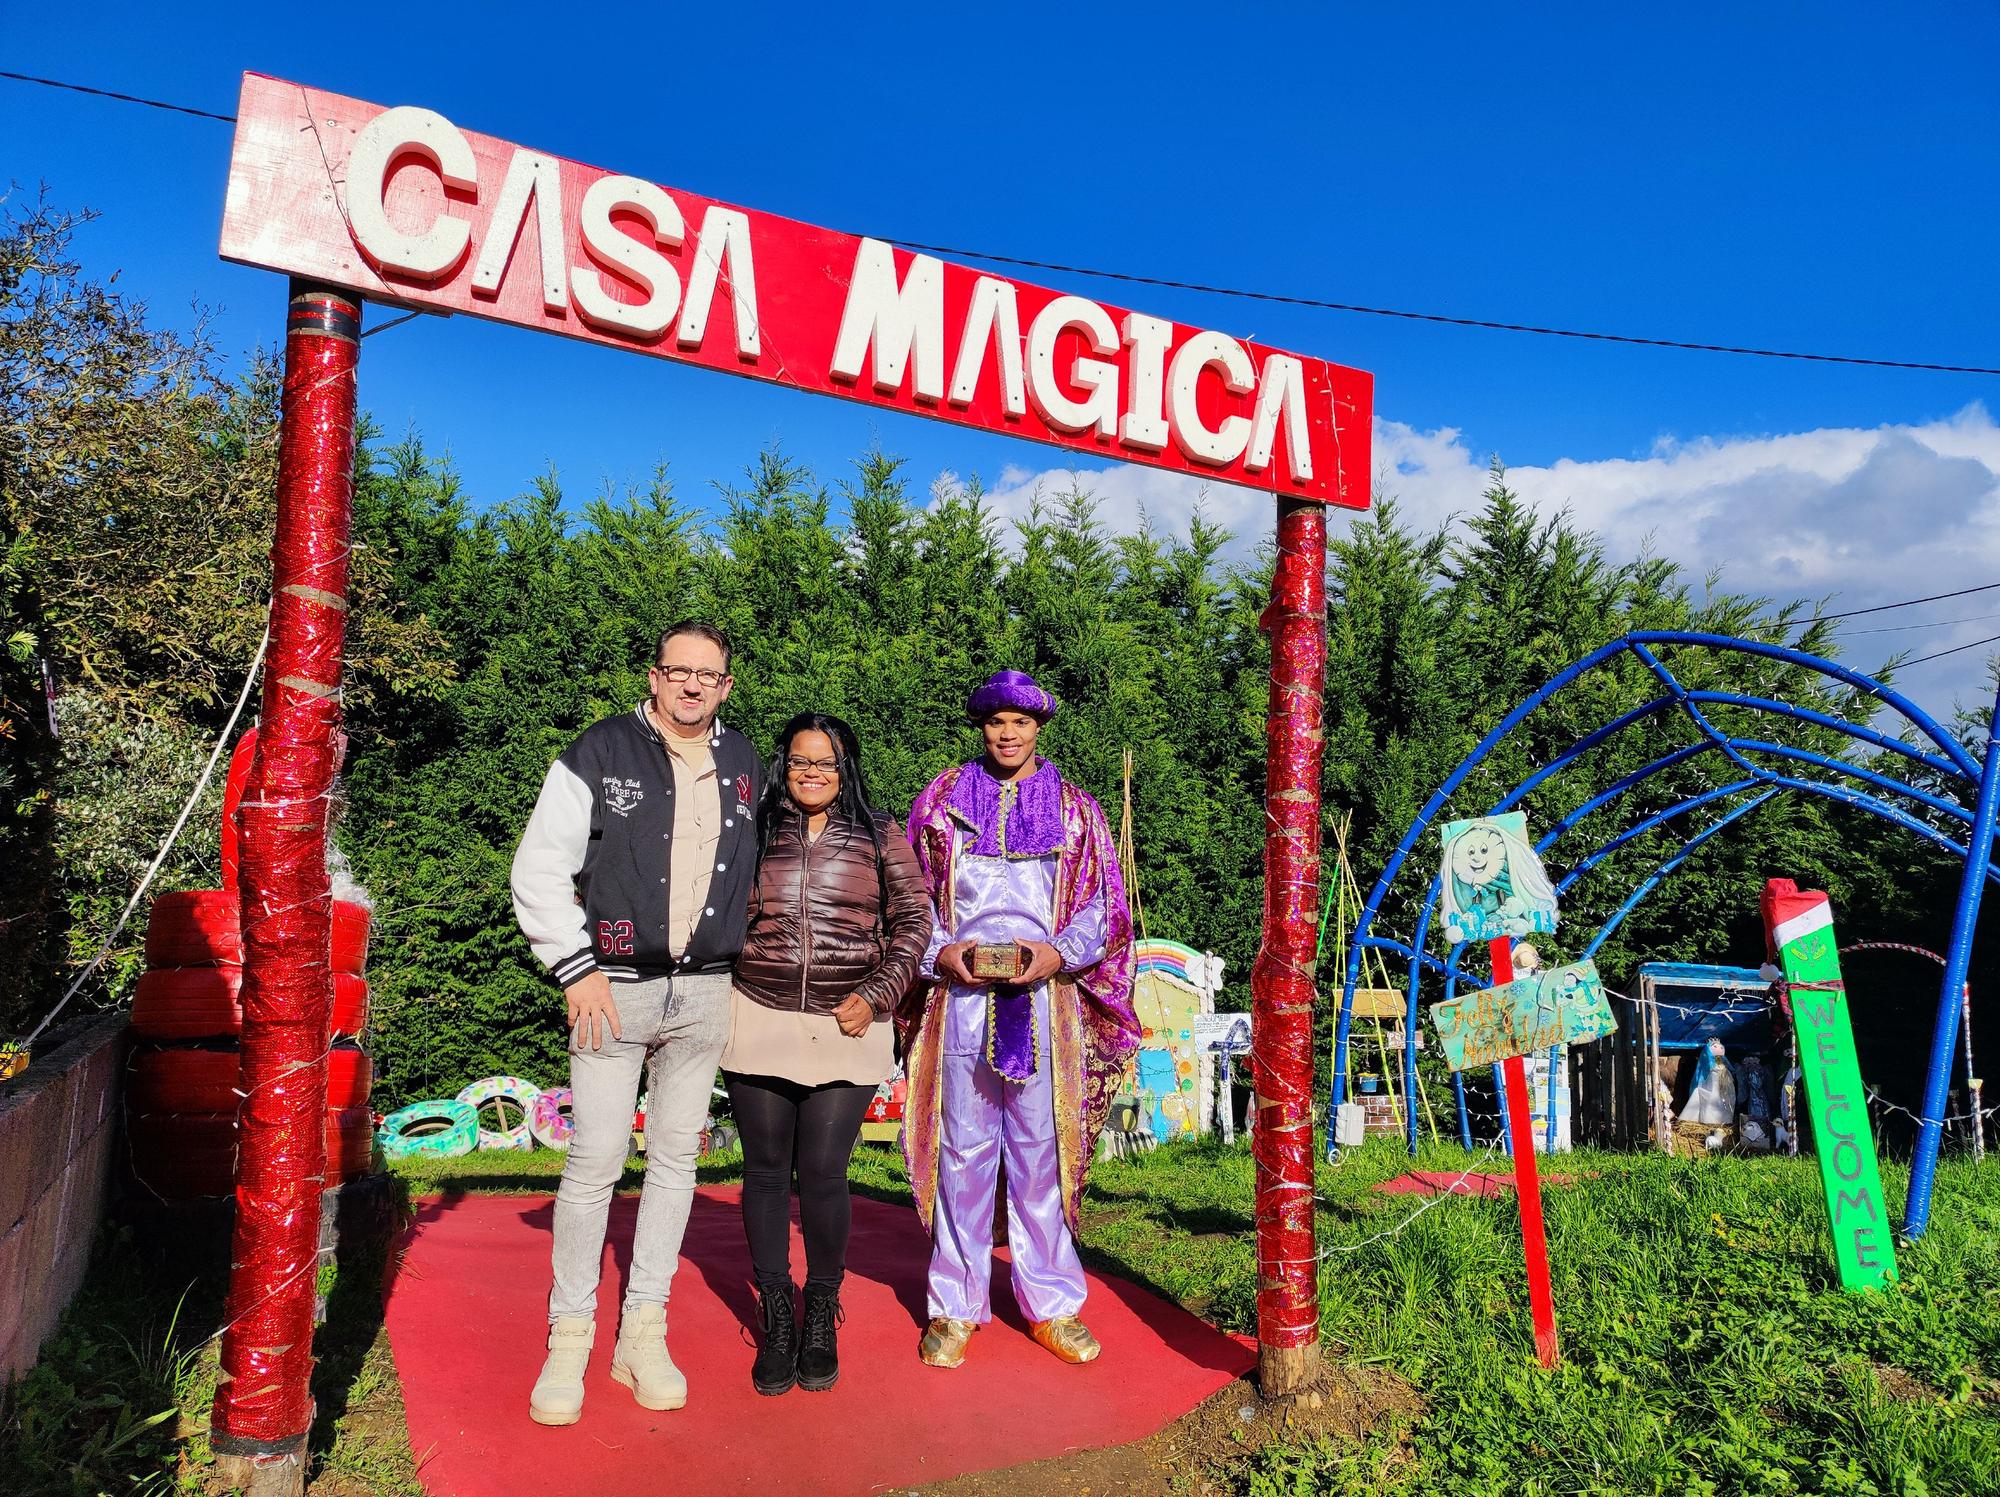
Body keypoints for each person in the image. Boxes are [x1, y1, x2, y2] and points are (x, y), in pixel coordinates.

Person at [511, 621, 762, 1425]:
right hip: (613, 987)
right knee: (594, 1161)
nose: (692, 685)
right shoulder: (600, 750)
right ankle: (571, 1333)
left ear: (726, 685)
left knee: (677, 1163)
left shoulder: (746, 761)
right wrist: (575, 967)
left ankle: (641, 1330)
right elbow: (539, 868)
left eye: (708, 674)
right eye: (678, 670)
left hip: (705, 992)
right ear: (654, 677)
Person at [900, 669, 1137, 1369]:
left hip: (1044, 1003)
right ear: (981, 726)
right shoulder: (941, 803)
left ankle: (1054, 1304)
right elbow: (911, 895)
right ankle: (954, 1305)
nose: (1008, 733)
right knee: (963, 1158)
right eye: (996, 721)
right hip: (961, 1003)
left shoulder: (1075, 810)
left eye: (1021, 722)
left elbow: (1107, 907)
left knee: (1040, 1158)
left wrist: (1056, 953)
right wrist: (941, 953)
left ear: (1040, 727)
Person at [721, 712, 931, 1395]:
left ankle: (820, 1308)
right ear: (785, 763)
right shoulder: (752, 828)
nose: (813, 773)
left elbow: (914, 922)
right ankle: (776, 1311)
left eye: (828, 762)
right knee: (763, 1171)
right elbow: (716, 909)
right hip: (758, 1012)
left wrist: (878, 993)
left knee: (822, 1171)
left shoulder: (879, 833)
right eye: (802, 760)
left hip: (850, 1021)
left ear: (848, 768)